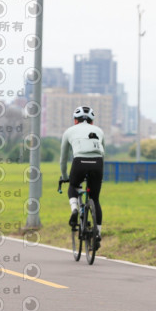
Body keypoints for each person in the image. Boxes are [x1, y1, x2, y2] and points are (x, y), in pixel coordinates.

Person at [59, 106, 105, 248]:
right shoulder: (99, 131)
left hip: (79, 162)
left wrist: (65, 176)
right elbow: (103, 153)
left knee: (73, 186)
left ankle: (74, 209)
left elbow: (63, 159)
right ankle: (97, 235)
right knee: (95, 199)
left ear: (75, 120)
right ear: (92, 121)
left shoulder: (69, 131)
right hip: (97, 163)